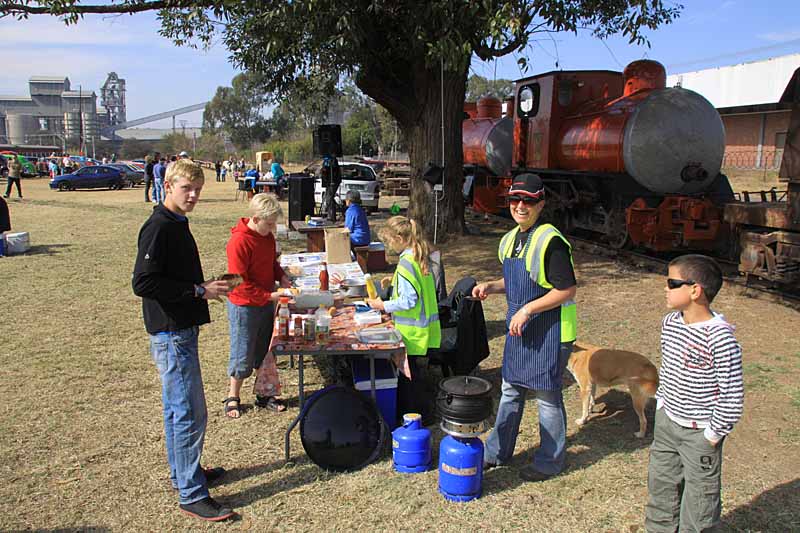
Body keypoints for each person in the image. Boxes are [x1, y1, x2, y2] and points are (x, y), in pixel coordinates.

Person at [131, 158, 235, 522]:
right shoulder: (159, 225)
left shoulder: (176, 221)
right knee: (190, 412)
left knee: (179, 409)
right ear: (168, 186)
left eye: (197, 190)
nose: (192, 196)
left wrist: (204, 289)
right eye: (186, 189)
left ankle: (184, 474)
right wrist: (196, 290)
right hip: (171, 332)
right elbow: (142, 283)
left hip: (179, 329)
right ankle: (192, 493)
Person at [472, 173, 577, 482]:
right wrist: (492, 285)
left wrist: (528, 309)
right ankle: (496, 452)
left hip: (552, 331)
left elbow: (566, 289)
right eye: (515, 200)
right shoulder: (511, 239)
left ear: (540, 205)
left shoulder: (550, 240)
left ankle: (550, 461)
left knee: (546, 397)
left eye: (528, 201)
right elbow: (523, 280)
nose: (520, 206)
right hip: (522, 331)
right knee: (510, 390)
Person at [645, 254, 744, 533]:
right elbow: (669, 367)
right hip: (667, 423)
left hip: (699, 434)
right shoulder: (670, 322)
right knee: (661, 487)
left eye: (672, 283)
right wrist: (662, 405)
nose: (666, 288)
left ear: (695, 290)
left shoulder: (721, 338)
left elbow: (732, 395)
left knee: (700, 502)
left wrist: (711, 435)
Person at [366, 215, 441, 423]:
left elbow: (409, 300)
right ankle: (420, 412)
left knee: (410, 378)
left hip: (411, 331)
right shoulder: (418, 256)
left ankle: (415, 415)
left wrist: (382, 305)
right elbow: (418, 286)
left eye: (389, 241)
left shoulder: (407, 262)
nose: (389, 246)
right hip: (423, 330)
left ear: (399, 237)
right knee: (414, 374)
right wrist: (395, 279)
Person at [224, 193, 292, 418]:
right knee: (242, 350)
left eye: (274, 223)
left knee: (264, 350)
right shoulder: (239, 242)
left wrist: (281, 277)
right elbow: (238, 283)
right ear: (256, 217)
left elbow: (272, 263)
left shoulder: (268, 237)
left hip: (265, 299)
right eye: (269, 223)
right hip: (244, 304)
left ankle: (265, 393)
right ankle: (233, 395)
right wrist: (271, 295)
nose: (272, 228)